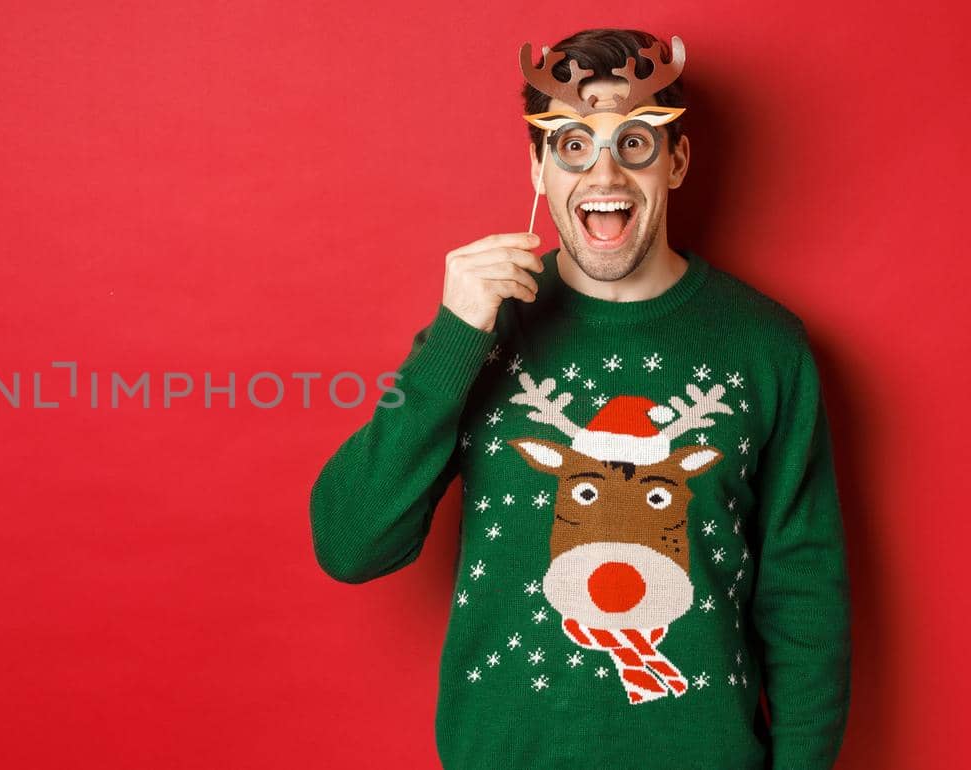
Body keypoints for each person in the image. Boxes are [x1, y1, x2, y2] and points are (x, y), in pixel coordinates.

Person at [308, 28, 852, 769]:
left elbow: (804, 598)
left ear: (677, 161)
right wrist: (450, 341)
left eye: (635, 143)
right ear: (538, 166)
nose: (605, 174)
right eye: (570, 144)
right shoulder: (474, 336)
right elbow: (350, 544)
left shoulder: (765, 346)